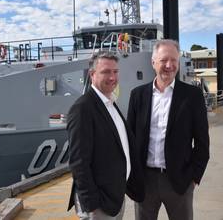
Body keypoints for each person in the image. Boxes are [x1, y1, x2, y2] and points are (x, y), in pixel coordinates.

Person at [127, 39, 210, 220]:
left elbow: (202, 142)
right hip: (145, 181)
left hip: (180, 181)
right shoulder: (137, 95)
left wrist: (194, 177)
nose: (169, 65)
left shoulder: (192, 96)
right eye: (164, 60)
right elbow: (130, 139)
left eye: (174, 60)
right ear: (153, 62)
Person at [67, 52, 139, 220]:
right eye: (106, 72)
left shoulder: (110, 104)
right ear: (92, 75)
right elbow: (78, 163)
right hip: (99, 204)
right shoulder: (82, 109)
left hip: (115, 196)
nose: (112, 77)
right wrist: (92, 205)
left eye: (115, 71)